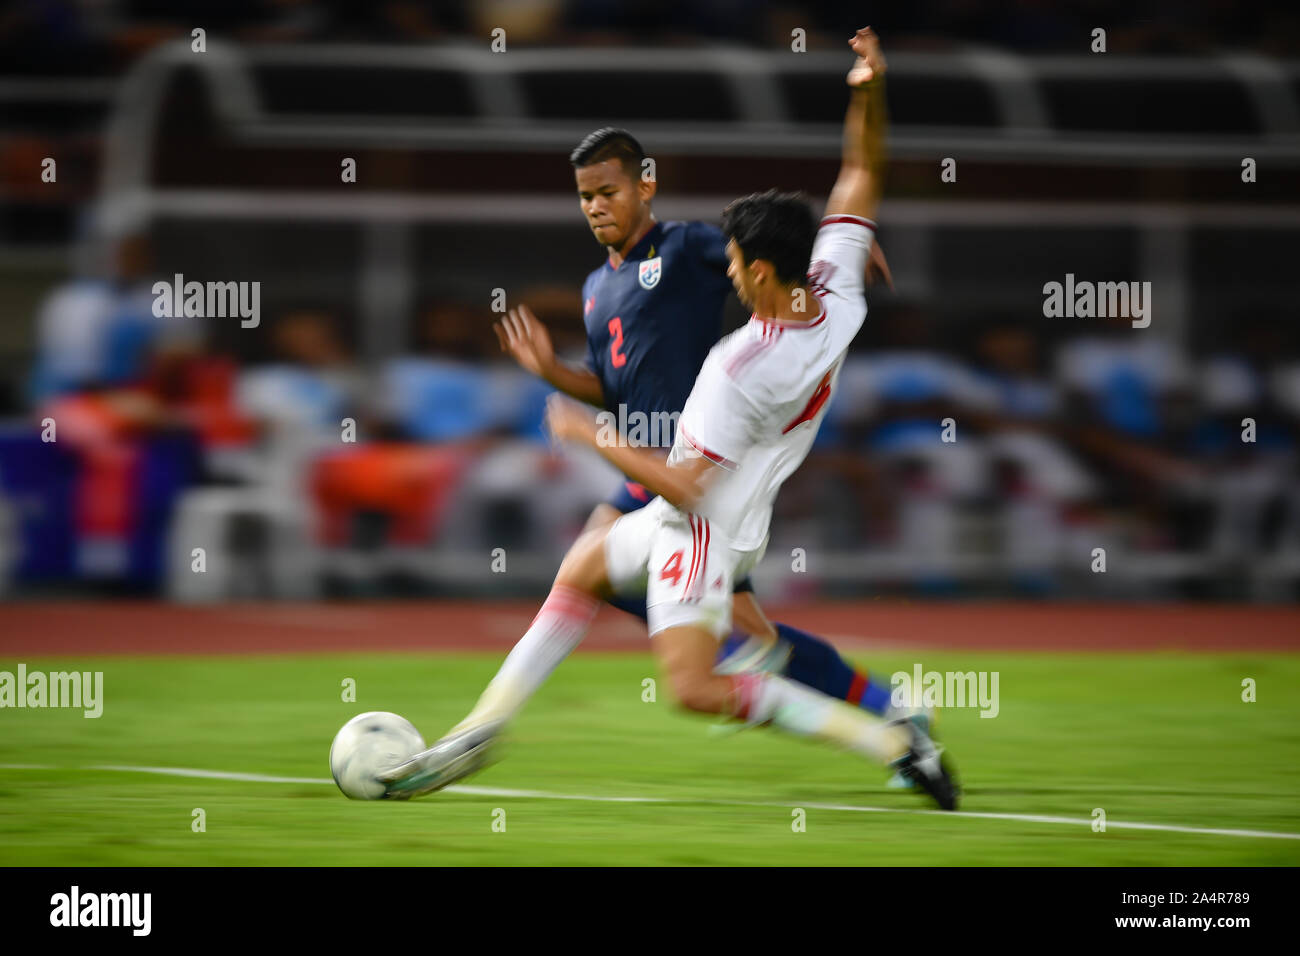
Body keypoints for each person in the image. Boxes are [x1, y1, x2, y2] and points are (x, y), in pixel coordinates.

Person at [384, 28, 957, 809]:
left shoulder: (732, 354)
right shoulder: (831, 290)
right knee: (628, 587)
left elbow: (684, 482)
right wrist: (869, 90)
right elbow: (859, 172)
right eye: (585, 195)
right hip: (715, 486)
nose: (724, 272)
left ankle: (891, 732)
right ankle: (483, 726)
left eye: (733, 265)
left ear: (756, 269)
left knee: (702, 677)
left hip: (698, 501)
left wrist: (597, 437)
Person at [488, 110, 916, 769]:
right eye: (586, 196)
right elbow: (614, 387)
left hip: (695, 472)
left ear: (644, 186)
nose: (596, 206)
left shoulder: (687, 247)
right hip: (650, 466)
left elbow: (764, 256)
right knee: (744, 634)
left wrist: (838, 251)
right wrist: (552, 373)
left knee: (602, 584)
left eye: (609, 191)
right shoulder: (597, 288)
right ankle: (888, 713)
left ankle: (482, 732)